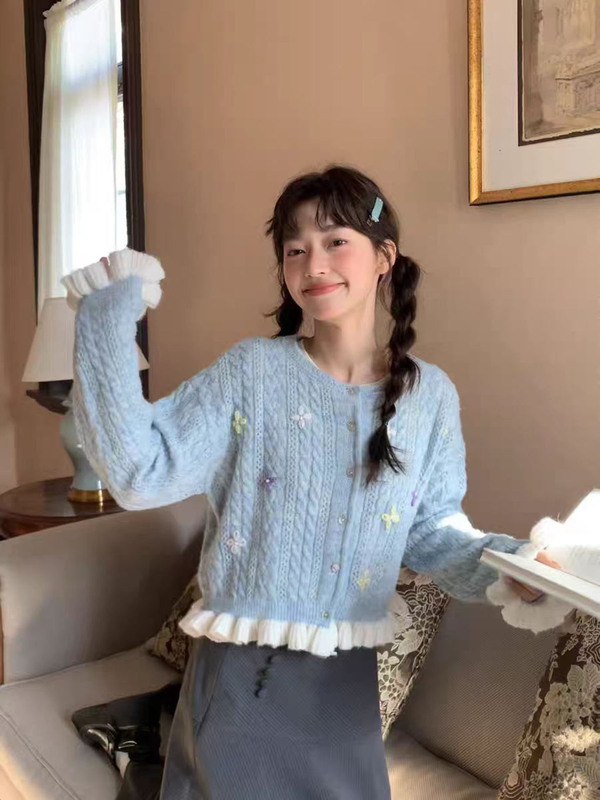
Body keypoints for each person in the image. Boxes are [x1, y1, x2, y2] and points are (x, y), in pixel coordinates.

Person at [63, 164, 562, 799]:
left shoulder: (430, 396)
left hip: (345, 687)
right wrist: (105, 318)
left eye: (335, 241)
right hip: (244, 678)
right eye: (294, 249)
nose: (313, 263)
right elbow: (142, 472)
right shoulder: (252, 372)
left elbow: (433, 530)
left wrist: (509, 565)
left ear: (384, 258)